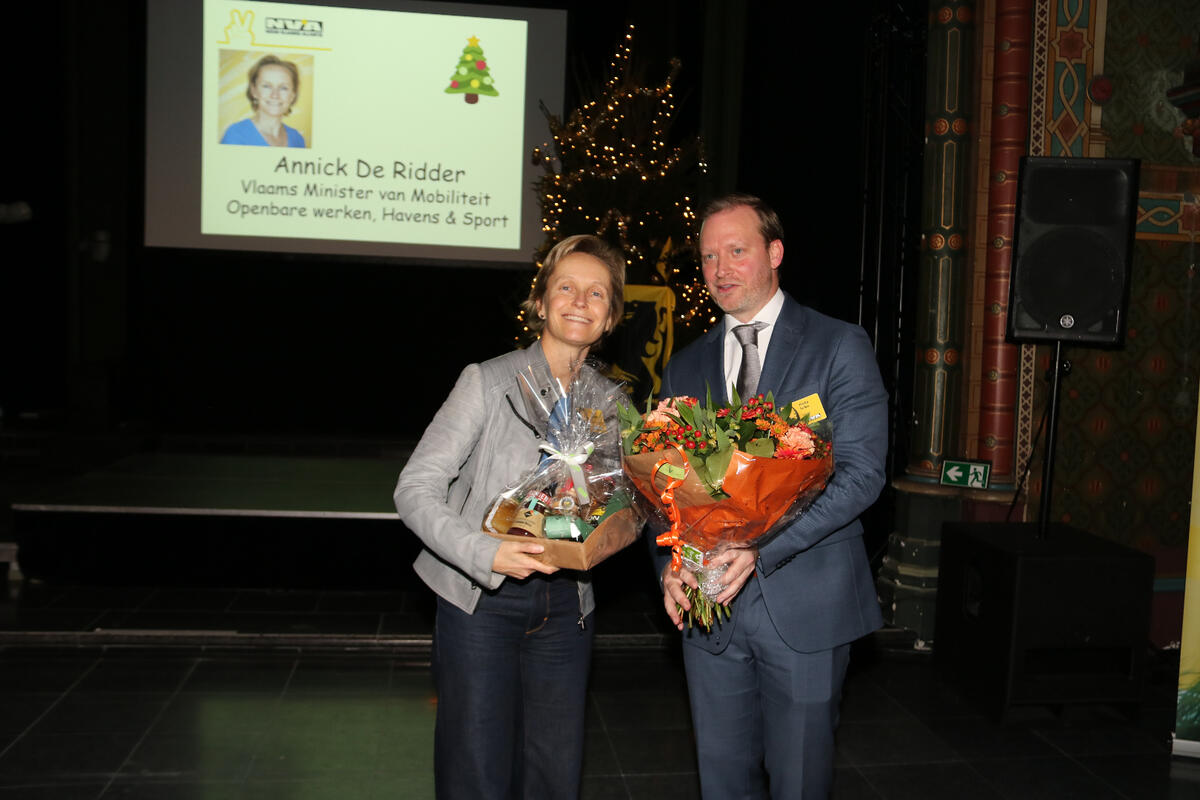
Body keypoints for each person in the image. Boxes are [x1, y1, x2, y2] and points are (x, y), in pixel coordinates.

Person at [656, 193, 887, 798]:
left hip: (807, 605)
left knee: (800, 783)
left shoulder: (838, 344)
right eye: (708, 257)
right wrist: (671, 566)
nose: (720, 269)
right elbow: (662, 487)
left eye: (736, 251)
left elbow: (862, 474)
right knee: (721, 781)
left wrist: (762, 549)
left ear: (775, 253)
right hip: (710, 611)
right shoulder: (685, 366)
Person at [394, 234, 625, 799]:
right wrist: (486, 552)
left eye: (597, 293)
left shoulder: (614, 404)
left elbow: (620, 503)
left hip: (568, 607)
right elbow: (414, 488)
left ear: (611, 317)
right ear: (540, 302)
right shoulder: (488, 382)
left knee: (553, 774)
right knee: (475, 773)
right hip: (481, 603)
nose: (580, 301)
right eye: (566, 287)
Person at [220, 54, 306, 147]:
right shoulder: (235, 135)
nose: (275, 95)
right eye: (266, 86)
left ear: (292, 95)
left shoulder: (298, 139)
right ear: (254, 91)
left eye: (283, 88)